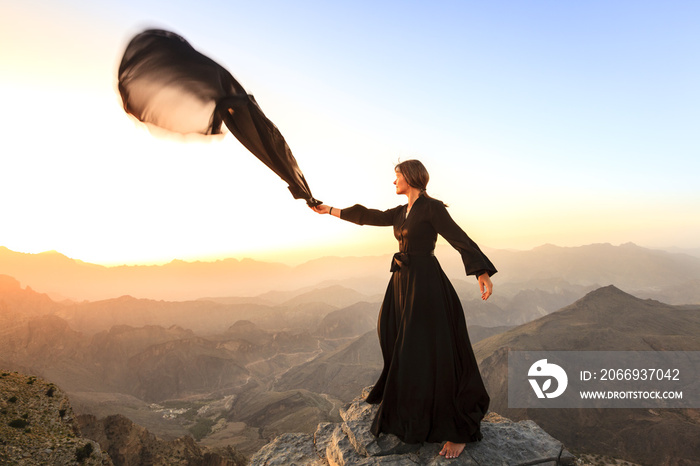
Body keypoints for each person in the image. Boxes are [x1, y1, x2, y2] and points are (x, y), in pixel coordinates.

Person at [311, 159, 496, 459]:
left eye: (396, 176)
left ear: (410, 177)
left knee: (427, 348)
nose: (393, 181)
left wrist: (481, 271)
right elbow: (367, 216)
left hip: (425, 286)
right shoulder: (401, 212)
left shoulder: (432, 208)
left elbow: (458, 237)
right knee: (391, 332)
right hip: (402, 282)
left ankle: (457, 429)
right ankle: (410, 407)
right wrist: (329, 209)